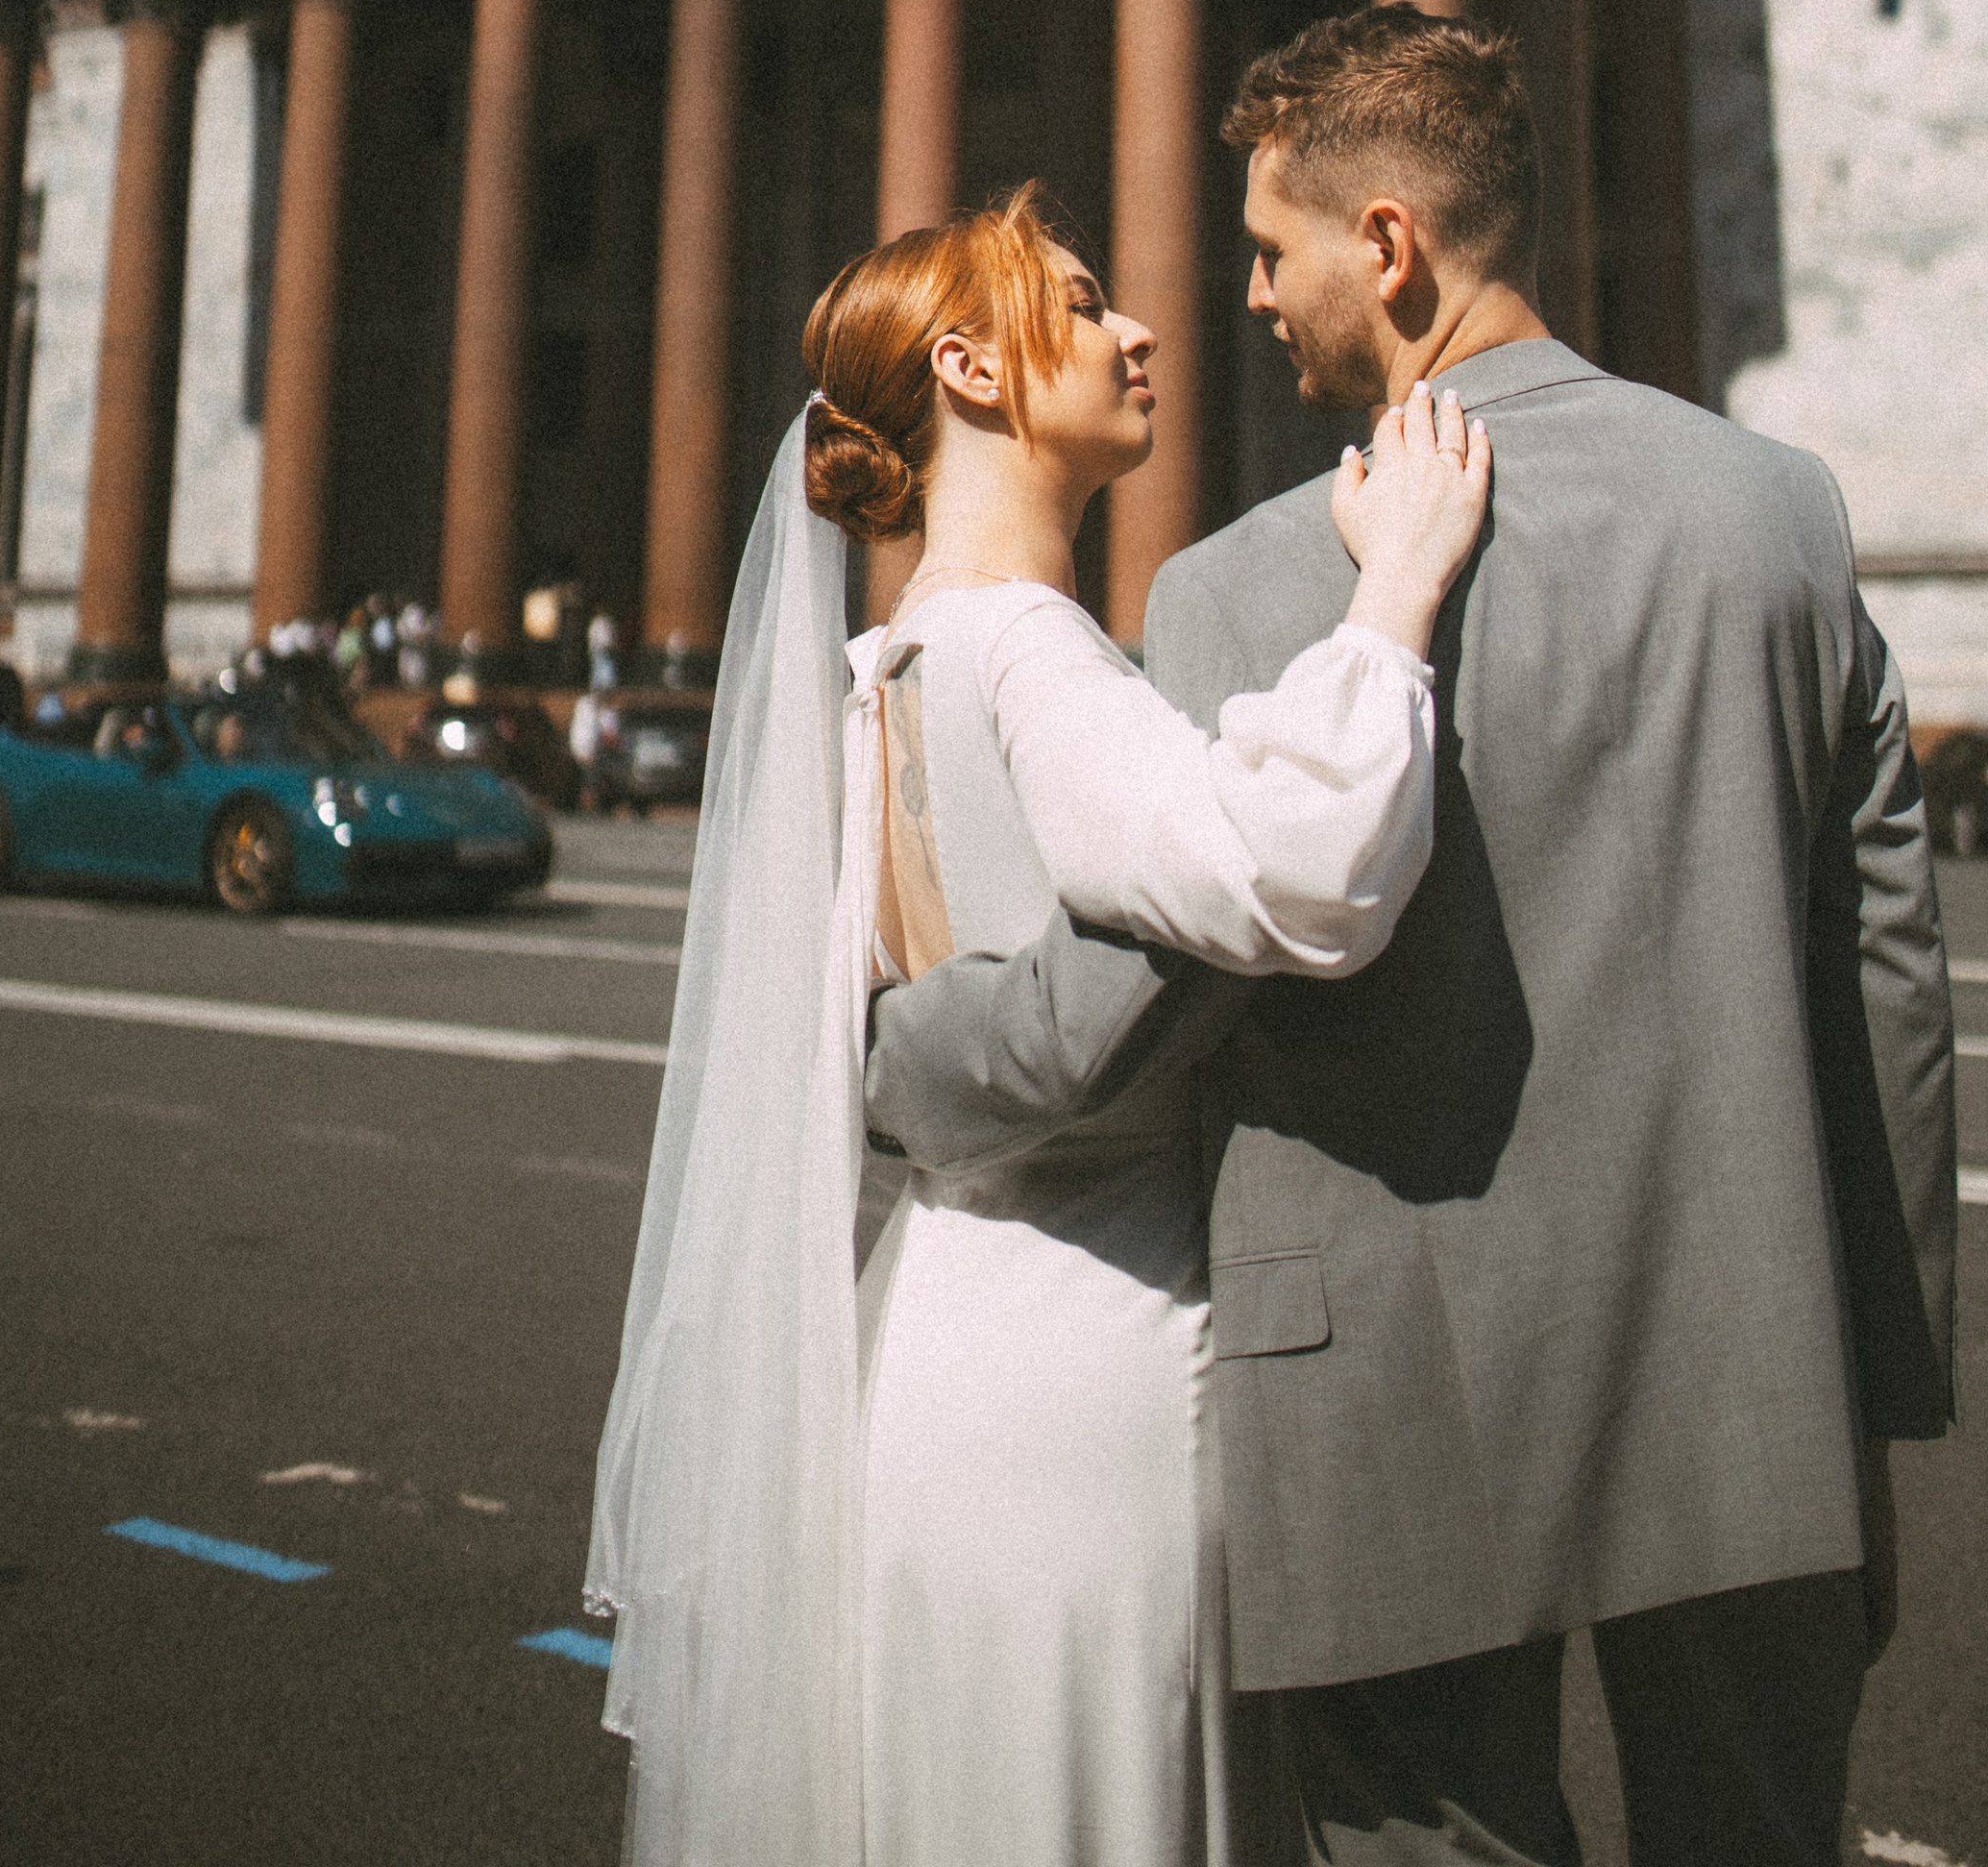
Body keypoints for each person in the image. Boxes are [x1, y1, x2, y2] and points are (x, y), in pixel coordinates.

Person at [868, 7, 1958, 1867]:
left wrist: (882, 1049)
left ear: (1383, 248)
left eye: (1269, 252)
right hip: (1754, 1367)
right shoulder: (1780, 518)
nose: (1247, 301)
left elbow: (1132, 1017)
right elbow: (1886, 989)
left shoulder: (1239, 579)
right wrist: (1868, 1372)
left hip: (1388, 1383)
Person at [586, 184, 1490, 1867]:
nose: (1136, 327)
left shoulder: (871, 672)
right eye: (1079, 305)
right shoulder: (1031, 651)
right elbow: (1305, 868)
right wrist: (1398, 599)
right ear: (973, 370)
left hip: (929, 1340)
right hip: (1101, 1363)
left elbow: (885, 1042)